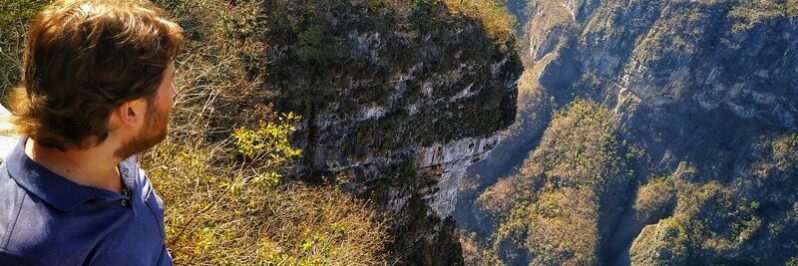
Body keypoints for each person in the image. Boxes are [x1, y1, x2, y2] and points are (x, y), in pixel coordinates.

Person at [0, 0, 183, 265]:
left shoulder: (111, 150)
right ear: (130, 111)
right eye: (169, 82)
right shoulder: (25, 252)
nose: (174, 94)